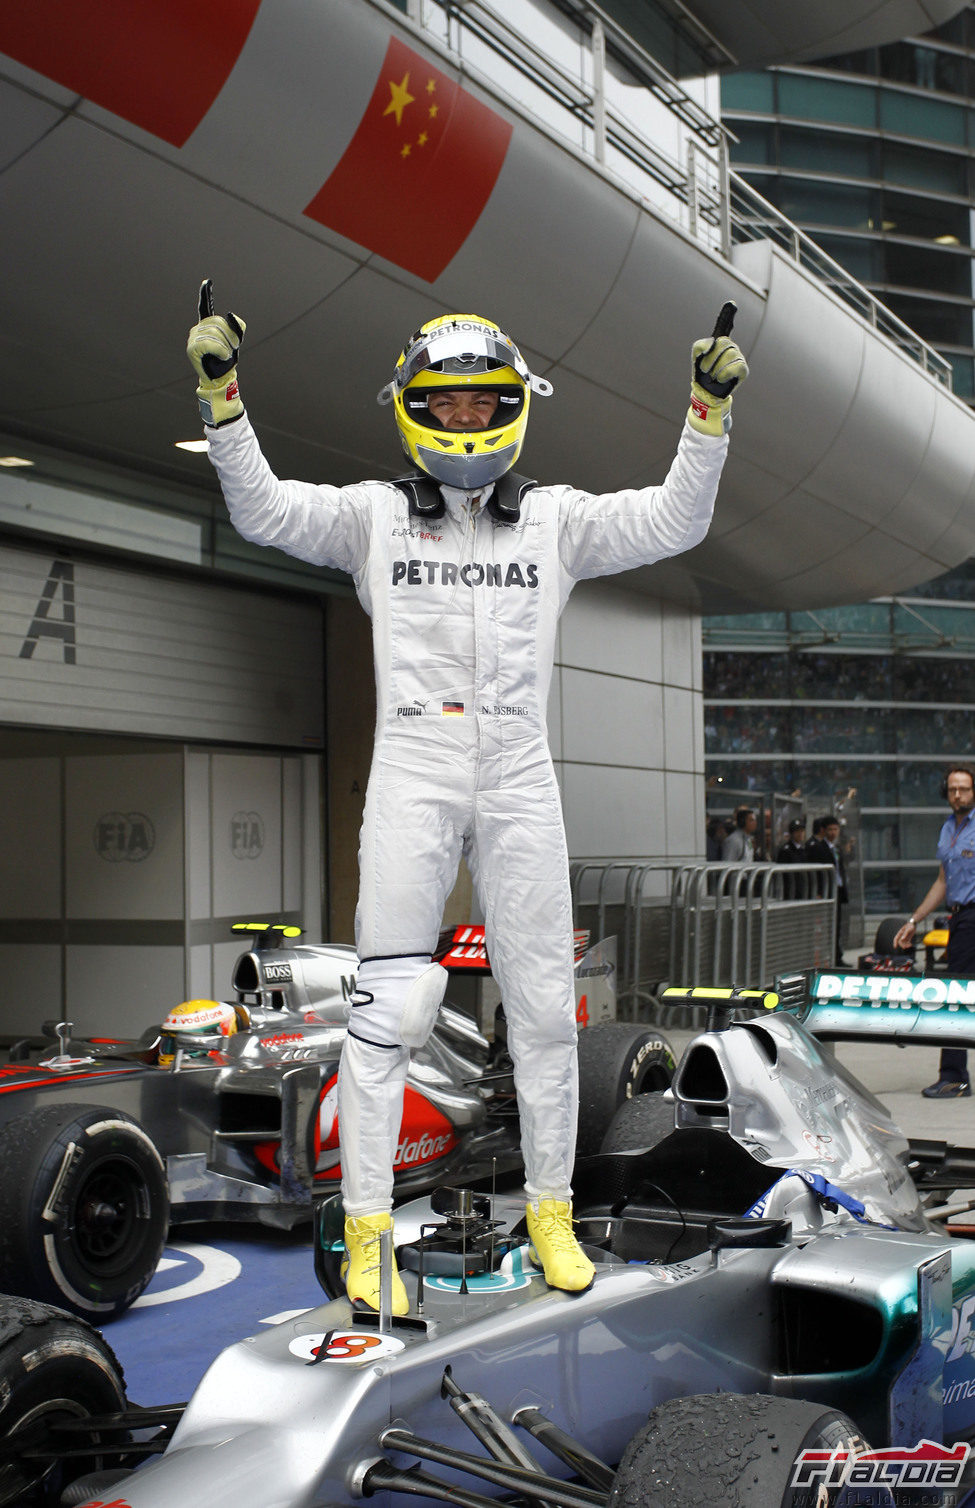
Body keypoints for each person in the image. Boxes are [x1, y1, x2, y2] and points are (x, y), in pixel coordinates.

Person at [186, 286, 747, 1312]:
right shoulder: (368, 514)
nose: (463, 417)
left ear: (512, 404)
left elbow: (676, 515)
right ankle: (365, 1236)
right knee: (388, 1006)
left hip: (522, 770)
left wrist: (704, 415)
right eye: (443, 403)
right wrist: (223, 398)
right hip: (414, 761)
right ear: (410, 406)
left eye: (482, 400)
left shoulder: (557, 520)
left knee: (541, 1010)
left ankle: (551, 1214)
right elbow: (263, 507)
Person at [893, 765, 975, 1098]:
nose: (958, 794)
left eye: (965, 789)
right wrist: (914, 921)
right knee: (958, 995)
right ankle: (954, 1074)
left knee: (955, 996)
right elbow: (942, 882)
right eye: (953, 789)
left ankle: (954, 1076)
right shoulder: (947, 830)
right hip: (958, 919)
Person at [806, 814, 848, 965]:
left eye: (836, 829)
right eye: (830, 829)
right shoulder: (818, 847)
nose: (833, 833)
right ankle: (829, 957)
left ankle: (837, 956)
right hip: (826, 892)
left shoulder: (834, 848)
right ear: (824, 830)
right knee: (827, 925)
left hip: (837, 889)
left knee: (836, 926)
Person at [775, 817, 807, 898]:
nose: (800, 834)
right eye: (797, 831)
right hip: (789, 890)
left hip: (801, 888)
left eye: (802, 831)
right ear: (791, 833)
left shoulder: (803, 849)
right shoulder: (786, 850)